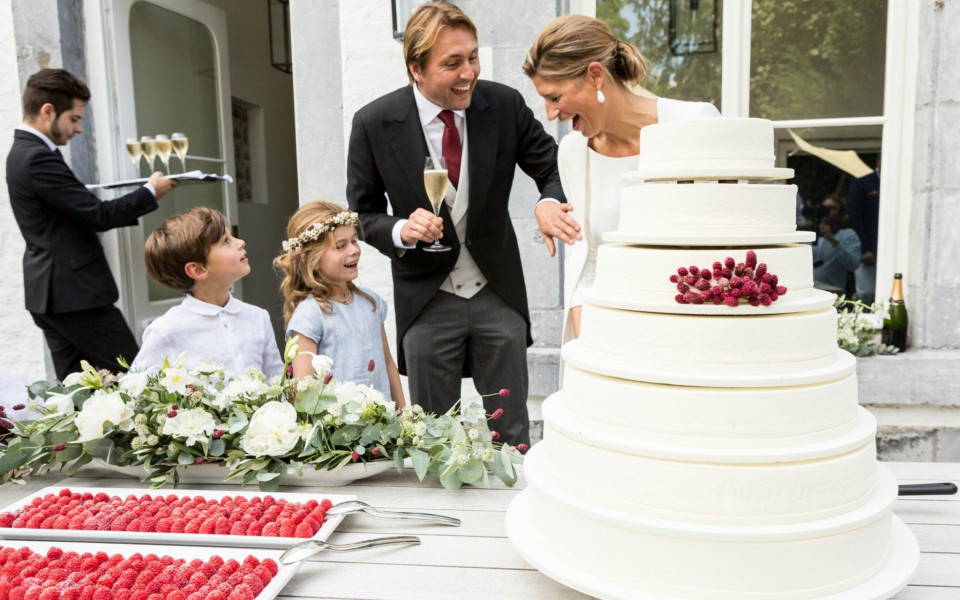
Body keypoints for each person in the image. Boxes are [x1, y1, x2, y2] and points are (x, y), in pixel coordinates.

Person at [347, 1, 564, 446]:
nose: (469, 73)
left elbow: (552, 167)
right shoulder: (373, 123)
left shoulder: (503, 105)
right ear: (416, 69)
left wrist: (549, 201)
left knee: (513, 437)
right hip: (426, 300)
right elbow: (363, 214)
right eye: (452, 63)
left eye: (473, 57)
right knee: (432, 442)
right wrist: (400, 230)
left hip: (497, 293)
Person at [523, 15, 720, 342]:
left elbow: (722, 244)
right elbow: (585, 263)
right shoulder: (573, 151)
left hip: (689, 335)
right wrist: (590, 350)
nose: (550, 114)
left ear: (595, 76)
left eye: (554, 97)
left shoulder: (695, 124)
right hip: (609, 340)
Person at [6, 68, 178, 381]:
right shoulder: (36, 157)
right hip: (75, 297)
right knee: (136, 379)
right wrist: (150, 192)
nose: (79, 128)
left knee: (78, 390)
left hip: (52, 296)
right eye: (74, 118)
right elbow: (99, 214)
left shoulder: (22, 153)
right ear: (48, 111)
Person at [275, 201, 405, 407]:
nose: (354, 250)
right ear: (311, 260)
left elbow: (387, 363)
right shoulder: (310, 314)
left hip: (382, 422)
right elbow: (303, 390)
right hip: (337, 424)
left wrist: (403, 412)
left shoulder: (371, 303)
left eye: (354, 240)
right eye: (340, 246)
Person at [131, 207, 284, 378]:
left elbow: (276, 380)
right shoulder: (165, 330)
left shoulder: (258, 317)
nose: (240, 242)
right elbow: (135, 388)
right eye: (225, 241)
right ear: (198, 270)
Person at [811, 195, 862, 292]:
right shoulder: (810, 233)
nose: (827, 211)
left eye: (832, 208)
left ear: (841, 214)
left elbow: (853, 264)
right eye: (824, 208)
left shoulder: (848, 234)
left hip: (832, 292)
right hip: (808, 291)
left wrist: (832, 240)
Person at [848, 157, 880, 303]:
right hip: (867, 248)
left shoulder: (900, 182)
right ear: (878, 160)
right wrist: (864, 249)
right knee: (866, 293)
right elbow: (856, 218)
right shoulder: (863, 182)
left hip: (891, 249)